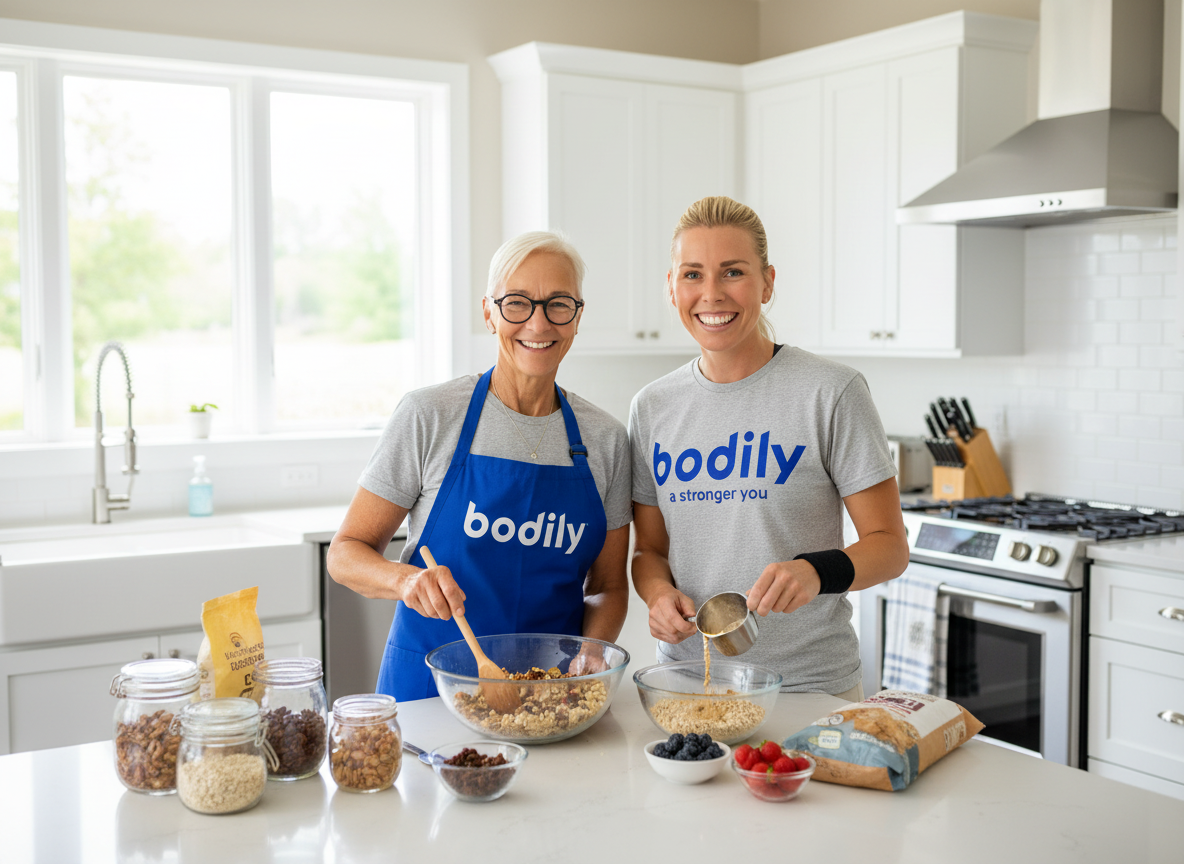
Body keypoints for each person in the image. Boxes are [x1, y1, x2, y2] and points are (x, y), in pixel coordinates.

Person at [327, 231, 632, 701]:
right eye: (517, 303)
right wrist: (407, 581)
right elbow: (346, 553)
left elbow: (608, 587)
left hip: (552, 696)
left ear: (577, 318)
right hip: (429, 694)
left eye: (558, 304)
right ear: (489, 312)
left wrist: (595, 651)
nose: (538, 322)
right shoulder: (429, 415)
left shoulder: (605, 441)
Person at [629, 196, 908, 700]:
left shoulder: (831, 392)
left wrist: (815, 572)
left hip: (807, 689)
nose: (711, 294)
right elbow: (650, 551)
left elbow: (890, 547)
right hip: (687, 684)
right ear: (671, 288)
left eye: (732, 272)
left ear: (768, 282)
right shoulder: (652, 407)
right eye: (692, 274)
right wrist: (658, 596)